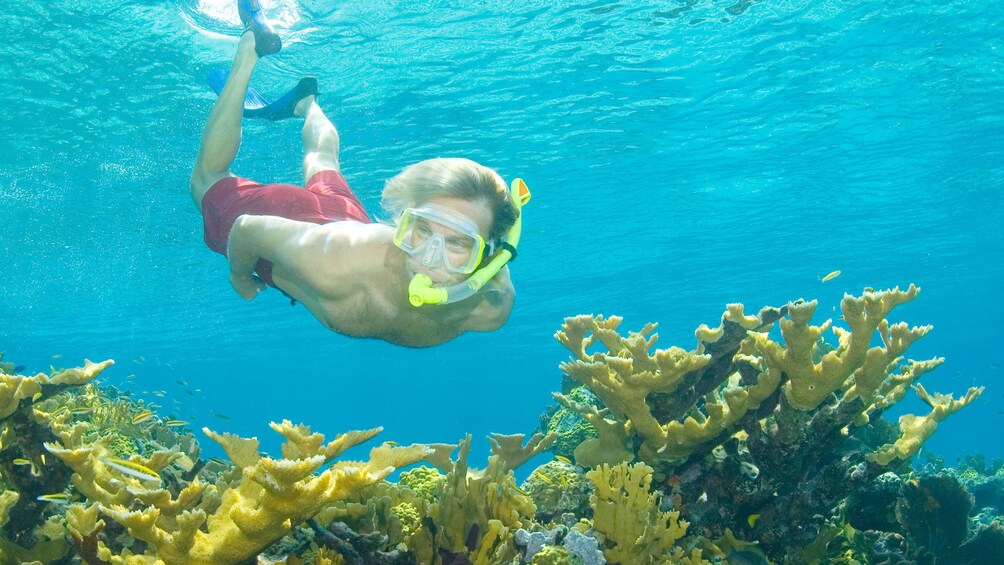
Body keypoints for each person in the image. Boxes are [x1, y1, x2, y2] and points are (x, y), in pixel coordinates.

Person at [189, 0, 525, 347]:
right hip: (309, 233)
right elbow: (247, 230)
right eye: (422, 230)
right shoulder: (332, 262)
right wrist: (241, 276)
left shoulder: (489, 308)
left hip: (349, 220)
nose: (428, 258)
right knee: (206, 180)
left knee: (324, 163)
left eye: (458, 244)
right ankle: (248, 51)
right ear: (403, 223)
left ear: (489, 257)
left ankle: (306, 103)